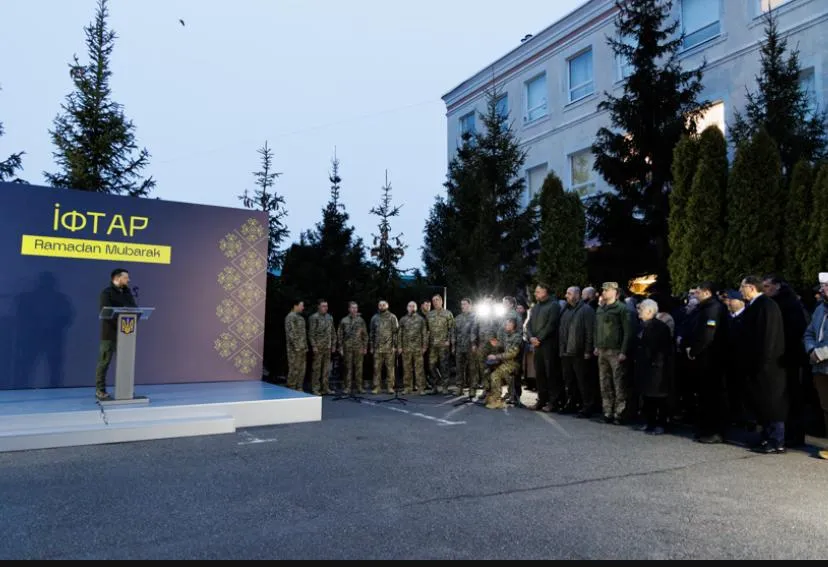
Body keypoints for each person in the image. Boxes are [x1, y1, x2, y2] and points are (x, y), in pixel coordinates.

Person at [740, 276, 788, 454]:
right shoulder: (757, 305)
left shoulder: (766, 306)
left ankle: (776, 440)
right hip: (758, 363)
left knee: (772, 403)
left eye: (743, 287)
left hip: (768, 365)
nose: (740, 290)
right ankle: (767, 437)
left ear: (751, 288)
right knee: (763, 402)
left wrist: (763, 362)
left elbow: (768, 337)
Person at [686, 281, 729, 444]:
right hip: (705, 359)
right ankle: (705, 428)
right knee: (704, 395)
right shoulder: (703, 308)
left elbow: (707, 335)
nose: (695, 295)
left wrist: (694, 350)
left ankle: (715, 430)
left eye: (698, 292)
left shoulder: (713, 309)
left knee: (713, 396)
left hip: (712, 359)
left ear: (707, 292)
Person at [95, 268, 137, 401]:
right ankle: (100, 390)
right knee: (104, 362)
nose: (128, 280)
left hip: (126, 334)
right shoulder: (106, 293)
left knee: (125, 361)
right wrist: (119, 319)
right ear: (117, 278)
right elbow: (106, 312)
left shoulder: (127, 292)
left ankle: (125, 389)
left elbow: (134, 309)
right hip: (110, 333)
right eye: (126, 278)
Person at [594, 282, 633, 424]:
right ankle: (607, 411)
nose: (603, 292)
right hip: (603, 350)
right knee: (604, 382)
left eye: (606, 290)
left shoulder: (621, 309)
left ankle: (620, 412)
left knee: (619, 383)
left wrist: (623, 350)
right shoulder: (600, 309)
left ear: (614, 292)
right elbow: (596, 329)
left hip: (616, 350)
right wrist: (596, 345)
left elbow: (627, 332)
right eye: (603, 290)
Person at [634, 299, 674, 435]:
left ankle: (661, 423)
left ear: (650, 311)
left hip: (657, 367)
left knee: (659, 397)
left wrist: (655, 362)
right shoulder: (641, 325)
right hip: (643, 365)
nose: (638, 312)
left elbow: (664, 349)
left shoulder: (661, 327)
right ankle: (649, 421)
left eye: (641, 309)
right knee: (647, 397)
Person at [559, 286, 596, 416]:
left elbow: (590, 332)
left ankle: (587, 406)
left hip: (579, 351)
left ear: (577, 295)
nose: (566, 296)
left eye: (568, 293)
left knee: (583, 381)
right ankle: (571, 403)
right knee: (569, 380)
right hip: (566, 352)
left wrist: (588, 350)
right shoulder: (566, 310)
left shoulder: (586, 310)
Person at [527, 283, 562, 412]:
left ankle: (553, 402)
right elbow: (529, 324)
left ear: (545, 291)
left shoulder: (554, 305)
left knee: (551, 373)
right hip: (537, 346)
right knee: (540, 373)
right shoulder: (535, 307)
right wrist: (531, 337)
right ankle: (541, 400)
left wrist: (538, 339)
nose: (535, 294)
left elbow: (551, 325)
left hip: (549, 345)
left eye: (538, 291)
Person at [804, 272, 828, 440]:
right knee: (826, 407)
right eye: (823, 286)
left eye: (826, 286)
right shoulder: (820, 309)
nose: (822, 289)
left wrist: (821, 352)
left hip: (823, 359)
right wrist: (811, 349)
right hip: (819, 367)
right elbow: (809, 333)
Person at [485, 317, 523, 410]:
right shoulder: (508, 335)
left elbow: (512, 353)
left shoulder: (517, 337)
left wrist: (496, 357)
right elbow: (504, 346)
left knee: (495, 375)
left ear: (513, 325)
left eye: (507, 324)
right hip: (505, 362)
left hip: (513, 363)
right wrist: (496, 344)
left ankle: (497, 399)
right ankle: (492, 395)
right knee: (487, 371)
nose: (505, 325)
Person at [337, 302, 368, 394]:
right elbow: (340, 335)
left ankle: (359, 387)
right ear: (349, 309)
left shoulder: (361, 320)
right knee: (348, 368)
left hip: (358, 347)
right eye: (353, 308)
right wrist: (340, 347)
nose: (355, 310)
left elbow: (365, 335)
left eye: (356, 308)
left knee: (359, 368)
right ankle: (347, 387)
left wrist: (365, 347)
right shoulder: (344, 320)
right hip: (347, 347)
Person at [398, 301, 429, 394]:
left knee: (419, 369)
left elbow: (424, 333)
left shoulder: (421, 320)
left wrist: (424, 346)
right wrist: (399, 346)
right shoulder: (403, 319)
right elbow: (399, 334)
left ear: (416, 308)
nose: (411, 308)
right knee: (407, 368)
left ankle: (421, 388)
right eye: (410, 306)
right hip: (406, 348)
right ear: (407, 308)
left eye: (413, 306)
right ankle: (407, 388)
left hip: (418, 348)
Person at [369, 300, 399, 394]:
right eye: (380, 305)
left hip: (389, 348)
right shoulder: (374, 318)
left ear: (387, 305)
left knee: (390, 368)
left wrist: (395, 346)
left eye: (383, 305)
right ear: (378, 306)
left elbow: (396, 332)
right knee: (376, 368)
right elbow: (372, 333)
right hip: (377, 348)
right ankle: (377, 387)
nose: (382, 306)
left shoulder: (392, 317)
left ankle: (390, 387)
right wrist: (371, 346)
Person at [426, 294, 454, 394]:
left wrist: (449, 341)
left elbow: (452, 329)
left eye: (437, 300)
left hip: (443, 344)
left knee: (444, 366)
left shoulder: (448, 314)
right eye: (433, 300)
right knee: (431, 365)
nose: (435, 302)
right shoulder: (429, 314)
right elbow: (426, 330)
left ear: (441, 301)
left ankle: (445, 387)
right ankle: (434, 385)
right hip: (432, 345)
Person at [307, 299, 335, 396]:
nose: (325, 308)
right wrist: (314, 346)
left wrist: (333, 344)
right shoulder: (314, 317)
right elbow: (311, 333)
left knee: (326, 369)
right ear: (318, 307)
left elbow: (332, 332)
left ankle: (325, 388)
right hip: (318, 347)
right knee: (317, 369)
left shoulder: (329, 317)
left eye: (326, 306)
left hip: (327, 347)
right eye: (323, 306)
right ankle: (315, 388)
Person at [284, 299, 307, 391]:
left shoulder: (300, 318)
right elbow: (291, 334)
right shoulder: (290, 317)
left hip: (302, 348)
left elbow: (303, 334)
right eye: (301, 305)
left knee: (302, 369)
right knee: (294, 369)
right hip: (294, 349)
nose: (303, 308)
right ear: (295, 306)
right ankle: (291, 388)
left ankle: (299, 387)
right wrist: (297, 347)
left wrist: (305, 347)